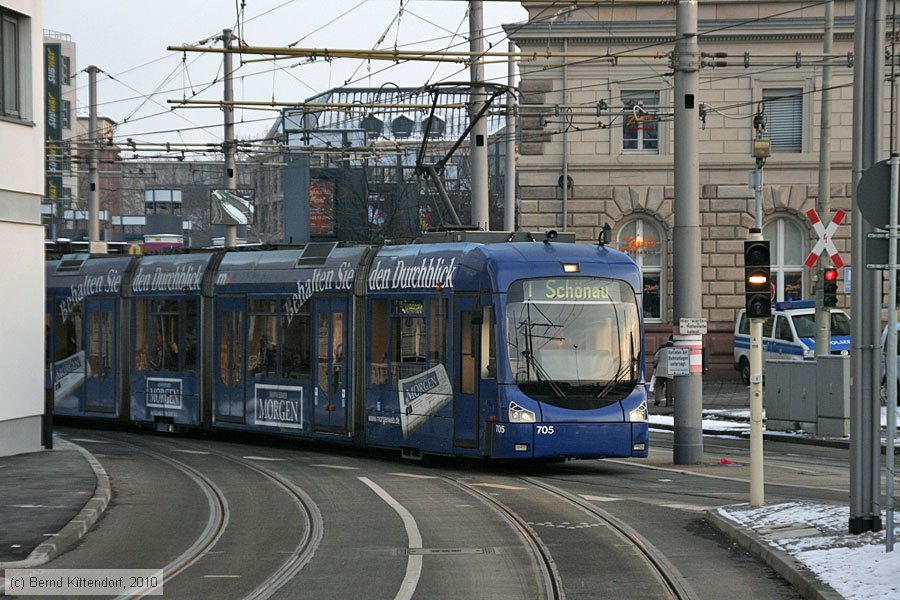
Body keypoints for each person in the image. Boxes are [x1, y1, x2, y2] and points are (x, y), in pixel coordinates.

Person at [652, 335, 674, 406]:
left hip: (660, 370)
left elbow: (655, 359)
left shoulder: (661, 347)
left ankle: (657, 399)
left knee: (659, 386)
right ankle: (669, 402)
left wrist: (655, 366)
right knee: (669, 388)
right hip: (670, 371)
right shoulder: (676, 349)